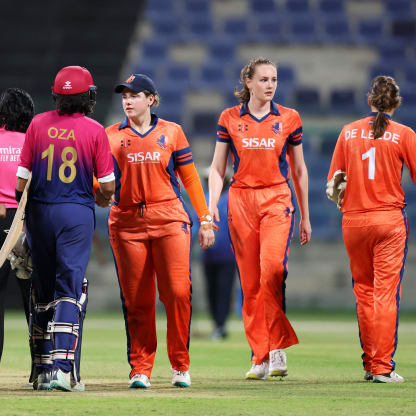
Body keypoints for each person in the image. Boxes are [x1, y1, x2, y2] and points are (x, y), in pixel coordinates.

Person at [99, 73, 214, 389]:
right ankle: (140, 368)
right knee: (137, 299)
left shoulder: (172, 132)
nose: (127, 100)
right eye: (124, 96)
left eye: (134, 95)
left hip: (169, 221)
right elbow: (101, 181)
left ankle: (180, 365)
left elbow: (190, 179)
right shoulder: (109, 136)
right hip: (126, 226)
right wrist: (96, 189)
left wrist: (205, 219)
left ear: (151, 99)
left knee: (177, 292)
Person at [209, 57, 311, 380]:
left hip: (277, 199)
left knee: (273, 269)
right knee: (251, 283)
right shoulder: (229, 118)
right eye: (264, 79)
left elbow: (299, 170)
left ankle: (277, 344)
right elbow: (216, 167)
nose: (270, 85)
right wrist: (211, 205)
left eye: (274, 80)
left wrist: (305, 216)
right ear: (249, 82)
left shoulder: (290, 118)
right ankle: (261, 356)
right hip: (240, 201)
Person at [16, 66, 115, 392]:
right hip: (75, 215)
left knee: (42, 292)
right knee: (69, 290)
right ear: (89, 96)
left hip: (40, 214)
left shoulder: (37, 123)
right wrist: (98, 195)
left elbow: (20, 182)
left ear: (57, 94)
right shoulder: (95, 130)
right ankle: (62, 370)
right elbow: (109, 188)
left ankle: (43, 370)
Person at [326, 75, 414, 384]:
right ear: (396, 104)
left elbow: (333, 183)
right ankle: (382, 367)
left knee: (364, 292)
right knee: (385, 295)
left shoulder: (348, 132)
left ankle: (369, 363)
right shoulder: (404, 135)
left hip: (353, 221)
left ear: (369, 101)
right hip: (388, 221)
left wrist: (345, 203)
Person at [0, 88, 34, 362]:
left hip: (0, 219)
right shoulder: (35, 143)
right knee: (33, 297)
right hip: (26, 222)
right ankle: (41, 365)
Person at [200, 169, 236, 340]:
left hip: (228, 254)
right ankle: (217, 324)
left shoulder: (231, 198)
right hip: (208, 254)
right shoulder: (204, 198)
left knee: (224, 290)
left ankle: (221, 325)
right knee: (212, 291)